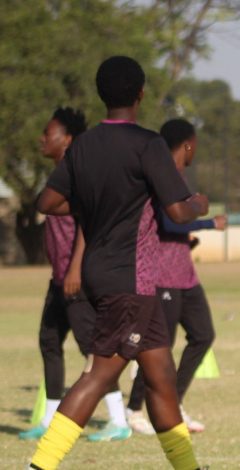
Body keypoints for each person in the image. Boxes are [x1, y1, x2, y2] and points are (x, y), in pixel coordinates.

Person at [31, 56, 207, 470]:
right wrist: (198, 202)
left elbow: (46, 202)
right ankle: (38, 465)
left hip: (110, 275)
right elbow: (179, 214)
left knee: (161, 380)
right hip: (130, 278)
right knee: (100, 374)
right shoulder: (148, 144)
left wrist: (95, 207)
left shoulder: (85, 144)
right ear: (141, 93)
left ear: (101, 94)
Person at [19, 108, 132, 443]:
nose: (42, 138)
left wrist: (74, 269)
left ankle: (118, 419)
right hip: (59, 279)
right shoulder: (59, 174)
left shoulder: (80, 173)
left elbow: (88, 222)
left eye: (48, 132)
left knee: (93, 350)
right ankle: (51, 418)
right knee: (49, 342)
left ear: (66, 139)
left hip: (77, 279)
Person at [125, 118, 224, 436]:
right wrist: (210, 224)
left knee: (203, 335)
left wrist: (189, 238)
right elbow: (170, 223)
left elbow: (174, 227)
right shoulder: (163, 175)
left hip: (185, 275)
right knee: (159, 345)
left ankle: (174, 402)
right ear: (188, 145)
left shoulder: (178, 177)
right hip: (162, 276)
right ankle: (134, 409)